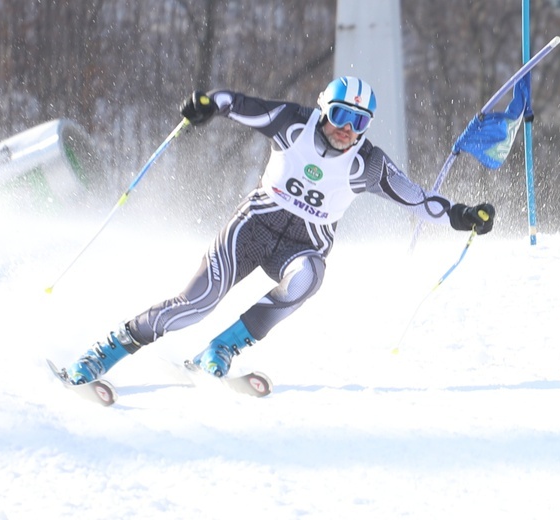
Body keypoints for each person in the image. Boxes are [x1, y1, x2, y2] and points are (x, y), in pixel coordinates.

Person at [62, 76, 495, 383]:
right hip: (254, 226)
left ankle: (222, 347)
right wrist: (208, 105)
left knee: (307, 278)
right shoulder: (292, 123)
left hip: (304, 244)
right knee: (197, 302)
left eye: (359, 122)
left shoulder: (368, 164)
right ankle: (107, 352)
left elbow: (418, 199)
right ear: (325, 108)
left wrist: (463, 216)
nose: (347, 129)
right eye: (342, 114)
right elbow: (238, 103)